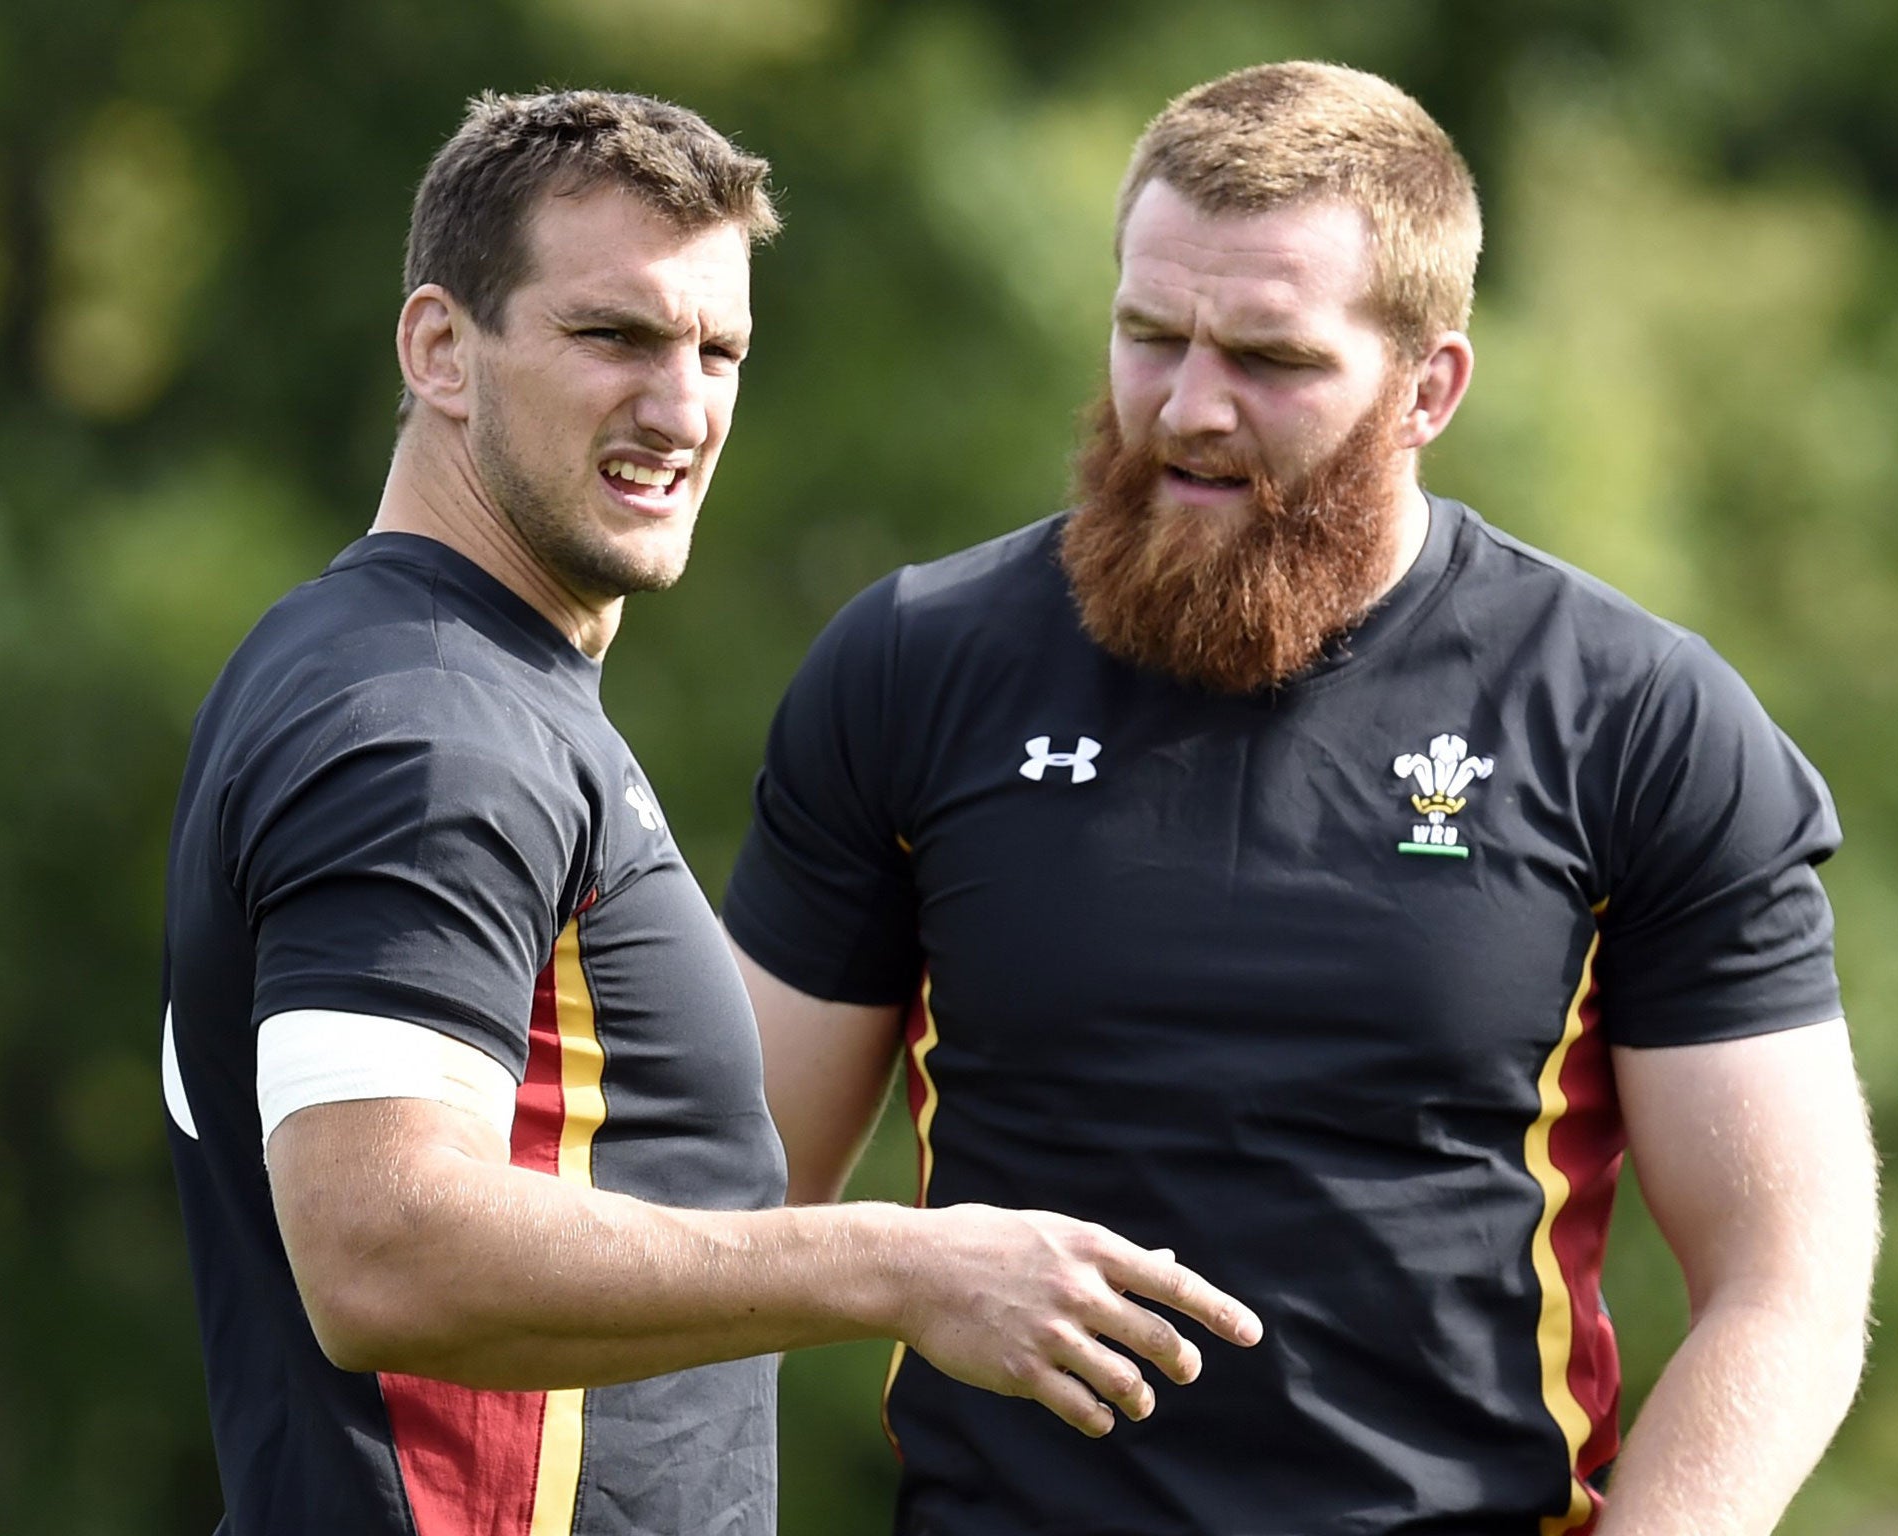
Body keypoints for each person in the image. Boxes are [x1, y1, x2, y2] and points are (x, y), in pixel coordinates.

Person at [723, 61, 1879, 1536]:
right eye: (1150, 337)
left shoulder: (1636, 717)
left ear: (1429, 388)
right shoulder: (914, 664)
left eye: (1269, 361)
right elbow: (720, 1199)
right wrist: (894, 1269)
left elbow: (1789, 1278)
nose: (1187, 411)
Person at [159, 88, 1261, 1536]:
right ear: (439, 349)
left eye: (718, 348)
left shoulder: (411, 671)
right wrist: (899, 1268)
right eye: (612, 335)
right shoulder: (433, 727)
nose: (680, 409)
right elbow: (380, 1249)